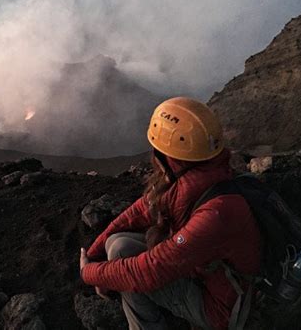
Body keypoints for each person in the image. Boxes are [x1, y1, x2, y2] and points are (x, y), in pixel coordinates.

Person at [79, 97, 261, 330]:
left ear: (169, 157)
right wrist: (94, 254)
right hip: (202, 270)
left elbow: (147, 271)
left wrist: (89, 273)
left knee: (125, 273)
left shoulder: (217, 212)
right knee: (117, 244)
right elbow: (136, 213)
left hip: (220, 309)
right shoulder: (199, 176)